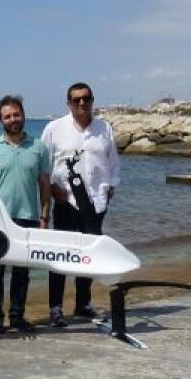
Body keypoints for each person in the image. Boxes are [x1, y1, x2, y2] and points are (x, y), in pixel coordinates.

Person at [40, 82, 121, 327]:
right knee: (60, 256)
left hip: (96, 203)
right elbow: (43, 165)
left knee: (88, 255)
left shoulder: (104, 128)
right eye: (76, 100)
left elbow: (113, 162)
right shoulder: (54, 128)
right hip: (66, 202)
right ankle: (55, 307)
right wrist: (52, 189)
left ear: (92, 100)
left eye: (86, 98)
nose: (82, 103)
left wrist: (110, 188)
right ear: (68, 103)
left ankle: (83, 305)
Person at [0, 94, 52, 334]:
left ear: (23, 115)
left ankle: (17, 316)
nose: (13, 119)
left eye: (16, 114)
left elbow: (44, 185)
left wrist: (44, 217)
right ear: (1, 120)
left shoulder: (39, 148)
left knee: (22, 271)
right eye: (7, 116)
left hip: (28, 216)